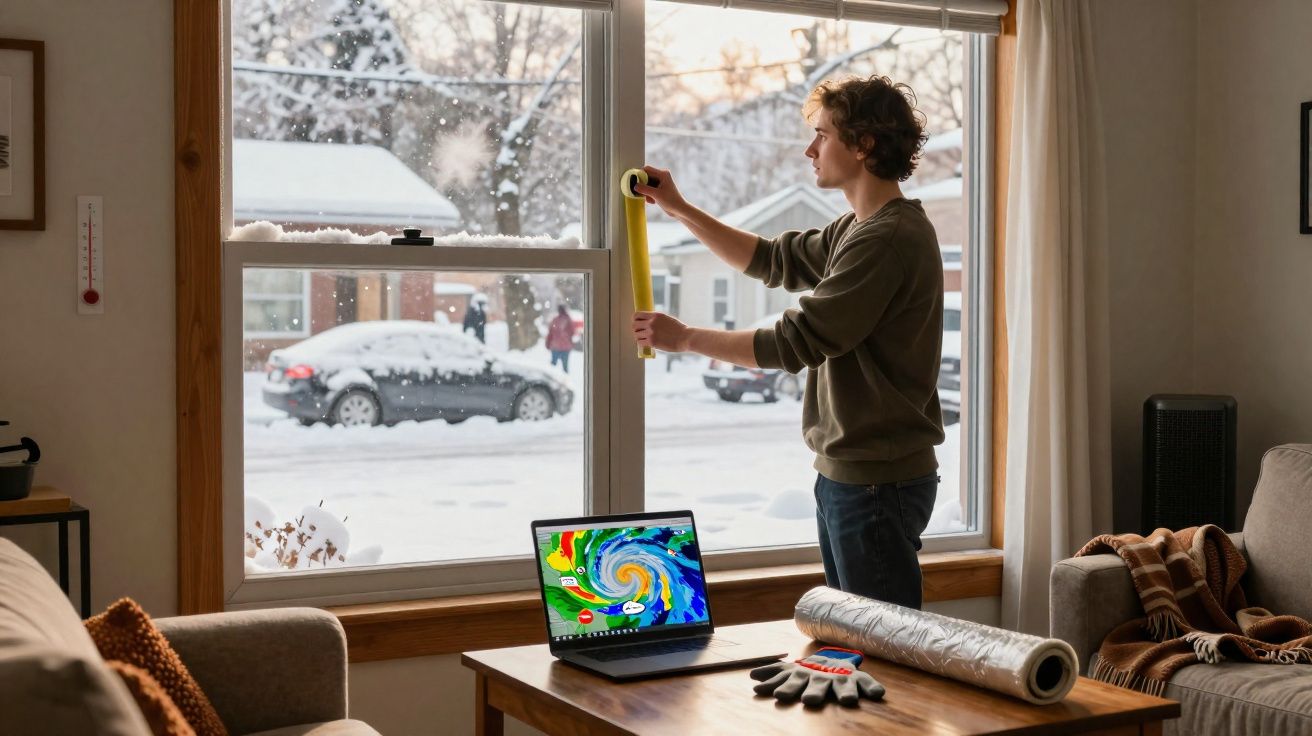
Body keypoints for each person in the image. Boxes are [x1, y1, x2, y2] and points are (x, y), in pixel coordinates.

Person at [630, 75, 945, 610]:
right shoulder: (858, 228)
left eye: (822, 135)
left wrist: (684, 338)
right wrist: (678, 208)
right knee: (856, 643)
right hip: (850, 476)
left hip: (876, 483)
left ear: (863, 145)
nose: (810, 149)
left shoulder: (887, 239)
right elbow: (772, 259)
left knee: (888, 655)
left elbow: (796, 341)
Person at [546, 304, 576, 373]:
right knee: (565, 367)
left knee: (553, 366)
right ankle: (565, 381)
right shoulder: (568, 320)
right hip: (565, 347)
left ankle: (551, 381)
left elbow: (550, 333)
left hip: (555, 346)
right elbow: (572, 332)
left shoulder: (555, 320)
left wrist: (548, 343)